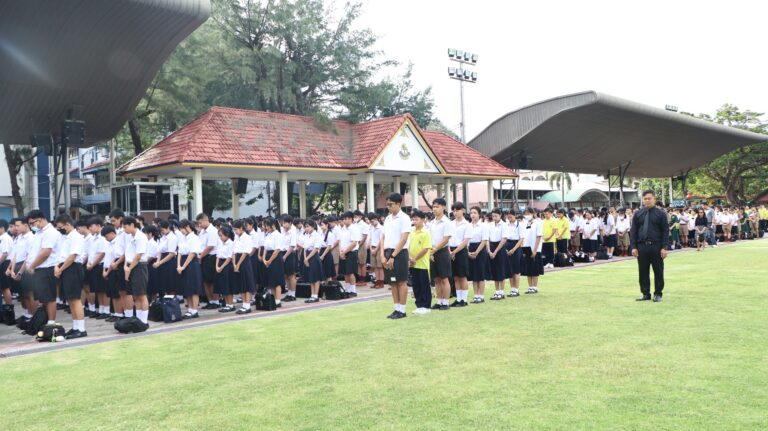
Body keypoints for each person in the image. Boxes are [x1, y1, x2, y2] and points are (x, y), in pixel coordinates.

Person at [630, 190, 670, 302]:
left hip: (656, 246)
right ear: (643, 200)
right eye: (645, 199)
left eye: (649, 198)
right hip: (642, 246)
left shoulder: (661, 214)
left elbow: (665, 231)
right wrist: (633, 247)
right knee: (643, 271)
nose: (647, 200)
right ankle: (645, 293)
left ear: (654, 199)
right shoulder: (638, 214)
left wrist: (664, 247)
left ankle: (658, 293)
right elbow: (633, 231)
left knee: (658, 271)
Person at [52, 215, 86, 338]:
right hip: (65, 267)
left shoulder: (76, 237)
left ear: (68, 224)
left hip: (73, 268)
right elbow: (61, 255)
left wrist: (60, 269)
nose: (60, 230)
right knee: (70, 299)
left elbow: (72, 257)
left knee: (75, 299)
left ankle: (81, 329)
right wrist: (57, 266)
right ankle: (75, 326)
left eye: (60, 227)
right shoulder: (65, 237)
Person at [25, 209, 61, 324]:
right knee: (43, 298)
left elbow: (46, 253)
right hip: (40, 269)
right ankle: (45, 322)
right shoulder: (39, 233)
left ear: (40, 220)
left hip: (47, 268)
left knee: (49, 298)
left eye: (32, 223)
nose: (32, 226)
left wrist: (32, 266)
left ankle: (51, 324)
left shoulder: (50, 232)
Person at [380, 193, 411, 319]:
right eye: (387, 205)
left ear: (398, 204)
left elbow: (404, 239)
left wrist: (393, 256)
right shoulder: (387, 219)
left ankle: (402, 310)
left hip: (400, 253)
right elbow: (383, 237)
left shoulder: (404, 218)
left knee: (401, 282)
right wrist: (382, 255)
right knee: (392, 282)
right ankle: (396, 308)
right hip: (387, 252)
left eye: (391, 204)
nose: (388, 207)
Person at [122, 217, 150, 330]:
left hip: (139, 266)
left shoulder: (141, 237)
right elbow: (127, 253)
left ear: (132, 225)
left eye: (125, 227)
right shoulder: (129, 237)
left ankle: (144, 321)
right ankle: (138, 320)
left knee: (142, 294)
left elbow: (138, 256)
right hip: (130, 265)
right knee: (135, 295)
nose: (124, 229)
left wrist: (129, 269)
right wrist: (125, 266)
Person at [428, 198, 454, 309]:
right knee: (436, 279)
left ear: (443, 207)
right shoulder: (431, 223)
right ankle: (439, 301)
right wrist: (431, 252)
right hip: (432, 252)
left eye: (437, 206)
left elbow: (446, 239)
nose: (434, 209)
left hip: (442, 252)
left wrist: (434, 250)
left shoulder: (447, 222)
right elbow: (429, 238)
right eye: (433, 207)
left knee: (444, 278)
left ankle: (446, 302)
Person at [177, 219, 203, 318]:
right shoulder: (182, 238)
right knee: (186, 288)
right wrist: (179, 265)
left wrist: (183, 266)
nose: (181, 231)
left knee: (194, 288)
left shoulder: (194, 238)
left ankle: (194, 310)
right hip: (183, 262)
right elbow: (179, 252)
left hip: (192, 263)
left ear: (187, 227)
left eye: (182, 229)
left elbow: (192, 254)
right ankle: (190, 309)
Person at [448, 202, 472, 307]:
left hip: (461, 251)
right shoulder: (451, 224)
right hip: (451, 250)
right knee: (456, 277)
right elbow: (447, 238)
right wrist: (450, 251)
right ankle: (458, 299)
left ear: (462, 210)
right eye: (453, 211)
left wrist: (455, 252)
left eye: (457, 210)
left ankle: (464, 300)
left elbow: (465, 241)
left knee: (462, 276)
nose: (455, 213)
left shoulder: (467, 224)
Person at [408, 210, 432, 314]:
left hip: (422, 264)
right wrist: (410, 258)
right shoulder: (411, 232)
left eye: (416, 219)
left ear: (423, 220)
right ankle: (419, 305)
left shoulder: (426, 232)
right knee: (416, 286)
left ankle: (426, 306)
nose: (414, 221)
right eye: (413, 219)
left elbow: (426, 248)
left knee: (424, 285)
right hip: (413, 264)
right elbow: (408, 246)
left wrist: (415, 258)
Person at [466, 205, 490, 303]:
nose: (473, 215)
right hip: (470, 249)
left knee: (480, 274)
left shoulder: (483, 226)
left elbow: (484, 240)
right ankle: (475, 295)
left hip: (480, 250)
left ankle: (481, 296)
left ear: (479, 214)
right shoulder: (468, 225)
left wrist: (476, 252)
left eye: (475, 213)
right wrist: (468, 252)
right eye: (471, 213)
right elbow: (466, 240)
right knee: (473, 274)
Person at [197, 213, 221, 310]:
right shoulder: (202, 231)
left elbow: (210, 246)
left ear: (205, 220)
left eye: (200, 223)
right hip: (204, 257)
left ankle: (216, 301)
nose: (199, 225)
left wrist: (200, 256)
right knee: (205, 281)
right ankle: (210, 301)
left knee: (212, 281)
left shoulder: (213, 231)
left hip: (211, 257)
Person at [232, 220, 256, 314]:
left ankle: (247, 305)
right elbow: (234, 251)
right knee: (241, 284)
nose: (235, 231)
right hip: (237, 259)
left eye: (236, 229)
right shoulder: (236, 237)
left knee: (247, 283)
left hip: (244, 261)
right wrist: (234, 264)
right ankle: (244, 304)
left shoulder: (247, 238)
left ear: (241, 228)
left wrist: (238, 265)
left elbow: (245, 253)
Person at [262, 217, 285, 308]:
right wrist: (264, 259)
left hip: (275, 258)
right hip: (268, 257)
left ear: (272, 225)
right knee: (271, 280)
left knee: (277, 280)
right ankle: (273, 299)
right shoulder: (268, 235)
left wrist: (270, 260)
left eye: (267, 226)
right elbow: (265, 248)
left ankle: (278, 300)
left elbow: (277, 250)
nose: (266, 228)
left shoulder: (277, 235)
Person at [520, 208, 543, 294]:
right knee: (528, 268)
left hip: (535, 248)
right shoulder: (525, 223)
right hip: (526, 247)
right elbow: (523, 236)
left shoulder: (538, 223)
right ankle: (530, 287)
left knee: (535, 268)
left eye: (528, 213)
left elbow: (538, 236)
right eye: (525, 214)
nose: (527, 215)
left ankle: (534, 287)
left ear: (533, 213)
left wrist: (535, 250)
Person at [338, 212, 361, 297]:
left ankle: (353, 291)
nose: (344, 221)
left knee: (350, 272)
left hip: (351, 253)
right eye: (343, 219)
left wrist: (344, 252)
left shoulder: (354, 228)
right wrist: (341, 252)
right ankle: (347, 290)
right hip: (343, 253)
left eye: (346, 219)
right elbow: (340, 241)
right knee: (345, 273)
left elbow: (354, 243)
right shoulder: (343, 228)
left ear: (351, 219)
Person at [487, 208, 508, 300]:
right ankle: (497, 292)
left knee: (501, 270)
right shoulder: (490, 225)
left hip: (500, 248)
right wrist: (489, 251)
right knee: (494, 270)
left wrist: (495, 251)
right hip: (491, 246)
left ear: (500, 215)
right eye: (493, 216)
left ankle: (501, 292)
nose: (494, 218)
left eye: (496, 216)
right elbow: (487, 238)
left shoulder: (504, 225)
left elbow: (504, 239)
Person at [302, 220, 324, 303]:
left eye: (308, 226)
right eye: (305, 227)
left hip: (314, 256)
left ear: (313, 226)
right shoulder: (307, 236)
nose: (306, 228)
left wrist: (307, 258)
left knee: (316, 277)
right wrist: (305, 258)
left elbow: (316, 249)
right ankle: (312, 295)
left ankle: (316, 295)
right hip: (307, 256)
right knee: (311, 276)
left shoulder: (317, 236)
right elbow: (305, 248)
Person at [214, 225, 234, 312]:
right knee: (222, 286)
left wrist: (221, 267)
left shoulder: (231, 243)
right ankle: (227, 304)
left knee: (228, 286)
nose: (220, 237)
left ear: (227, 235)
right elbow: (218, 255)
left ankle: (230, 305)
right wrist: (217, 266)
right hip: (220, 264)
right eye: (219, 236)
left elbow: (229, 258)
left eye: (221, 235)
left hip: (227, 265)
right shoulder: (220, 243)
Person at [504, 211, 525, 297]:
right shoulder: (506, 225)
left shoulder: (520, 225)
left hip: (516, 246)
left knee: (516, 269)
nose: (509, 219)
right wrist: (506, 249)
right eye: (508, 217)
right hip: (507, 245)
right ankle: (512, 288)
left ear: (515, 216)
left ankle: (516, 289)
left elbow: (521, 239)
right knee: (510, 269)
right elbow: (504, 237)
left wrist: (513, 249)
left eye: (511, 217)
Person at [280, 215, 299, 301]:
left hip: (290, 254)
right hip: (282, 252)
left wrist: (284, 256)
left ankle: (293, 294)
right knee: (285, 275)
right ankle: (289, 293)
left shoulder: (293, 232)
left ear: (290, 223)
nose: (283, 225)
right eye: (282, 223)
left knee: (291, 275)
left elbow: (292, 246)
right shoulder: (282, 231)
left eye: (285, 223)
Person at [367, 213, 384, 289]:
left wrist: (376, 249)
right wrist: (371, 249)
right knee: (375, 266)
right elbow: (370, 239)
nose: (371, 223)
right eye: (370, 221)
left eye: (372, 221)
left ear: (377, 219)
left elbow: (381, 240)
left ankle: (381, 282)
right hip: (373, 247)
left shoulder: (381, 228)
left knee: (380, 266)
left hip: (379, 248)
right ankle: (377, 281)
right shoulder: (371, 228)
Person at [353, 210, 369, 288]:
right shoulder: (354, 224)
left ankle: (363, 279)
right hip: (355, 244)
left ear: (361, 216)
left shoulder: (364, 225)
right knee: (358, 263)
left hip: (361, 244)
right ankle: (359, 279)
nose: (355, 218)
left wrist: (359, 245)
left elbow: (364, 236)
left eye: (356, 216)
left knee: (362, 263)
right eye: (354, 216)